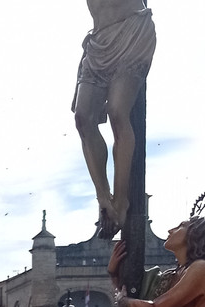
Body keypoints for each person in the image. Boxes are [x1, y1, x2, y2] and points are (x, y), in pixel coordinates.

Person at [72, 0, 156, 238]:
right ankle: (103, 195)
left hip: (133, 31)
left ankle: (121, 200)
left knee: (117, 112)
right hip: (99, 41)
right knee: (82, 118)